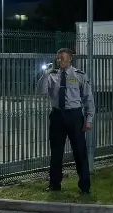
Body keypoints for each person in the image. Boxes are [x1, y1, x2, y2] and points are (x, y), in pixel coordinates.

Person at [36, 48, 93, 194]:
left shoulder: (79, 75)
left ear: (70, 59)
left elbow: (88, 98)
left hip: (74, 116)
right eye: (58, 58)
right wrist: (44, 75)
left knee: (80, 151)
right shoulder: (51, 75)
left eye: (62, 58)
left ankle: (84, 186)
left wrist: (89, 119)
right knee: (56, 152)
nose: (59, 61)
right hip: (57, 116)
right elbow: (41, 92)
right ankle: (54, 184)